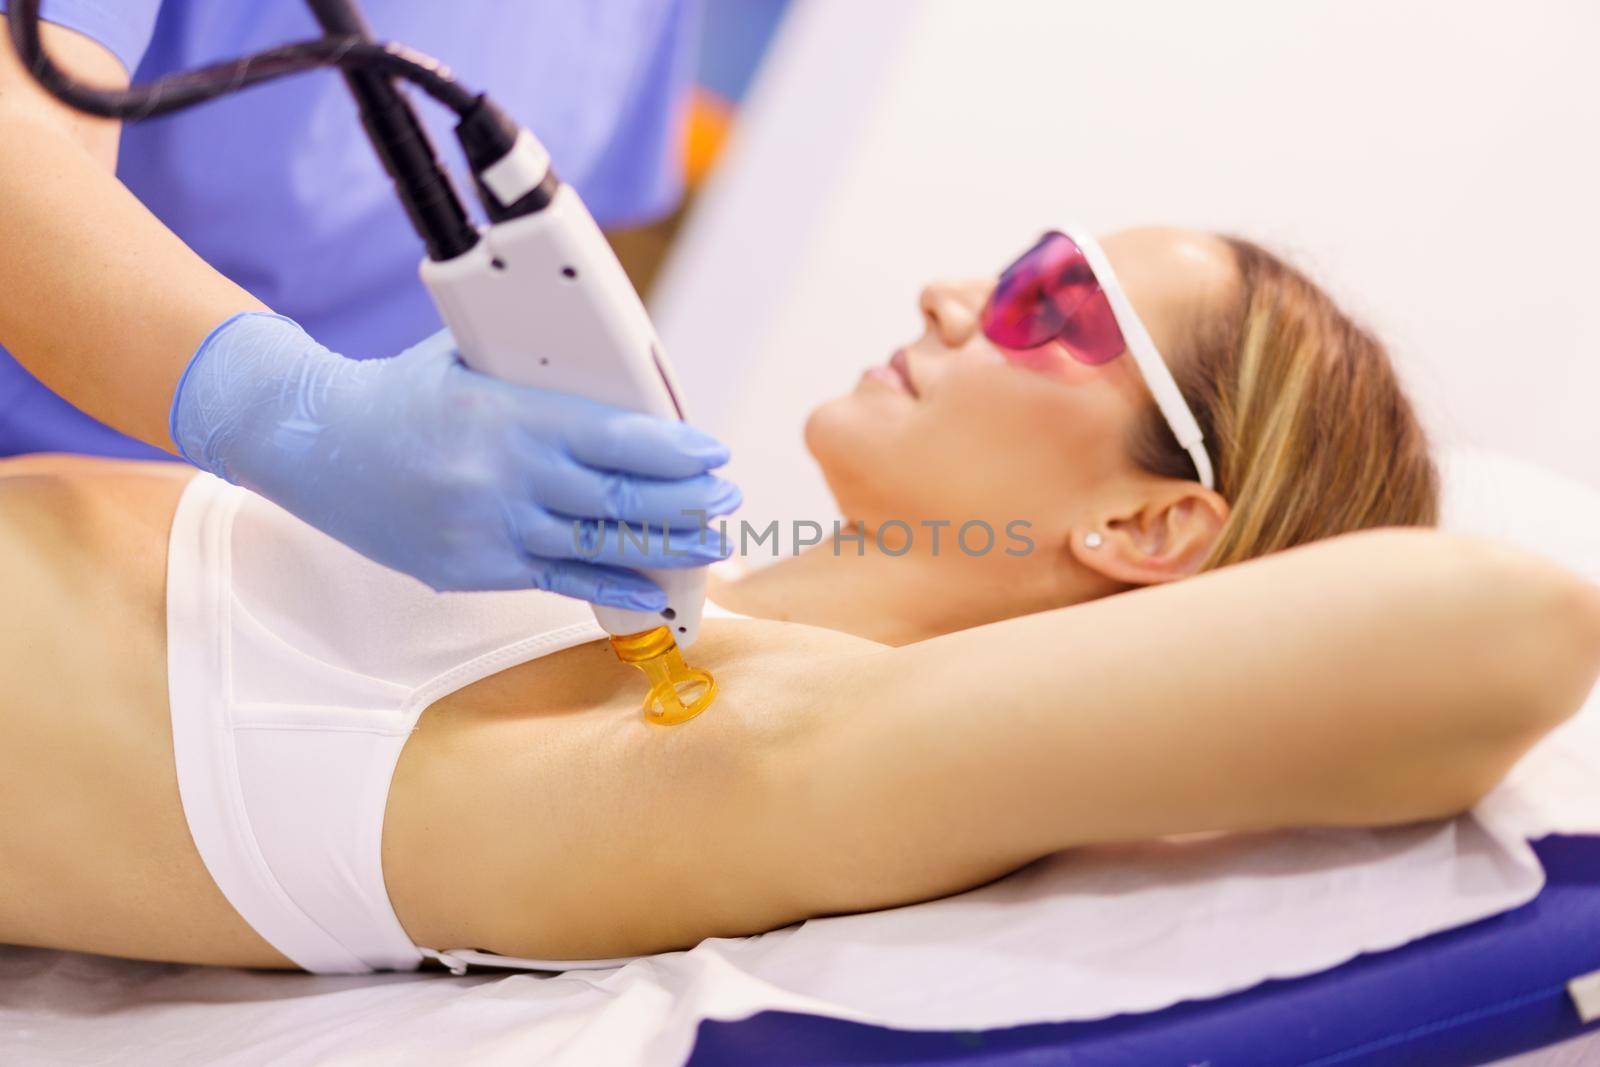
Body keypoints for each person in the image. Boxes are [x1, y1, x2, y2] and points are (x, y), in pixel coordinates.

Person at [1, 226, 1597, 972]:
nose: (955, 293)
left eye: (1056, 303)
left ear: (1153, 519)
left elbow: (1515, 626)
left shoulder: (784, 747)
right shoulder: (650, 597)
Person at [0, 1, 738, 607]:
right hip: (39, 506)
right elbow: (20, 151)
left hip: (291, 589)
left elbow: (567, 263)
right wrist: (291, 415)